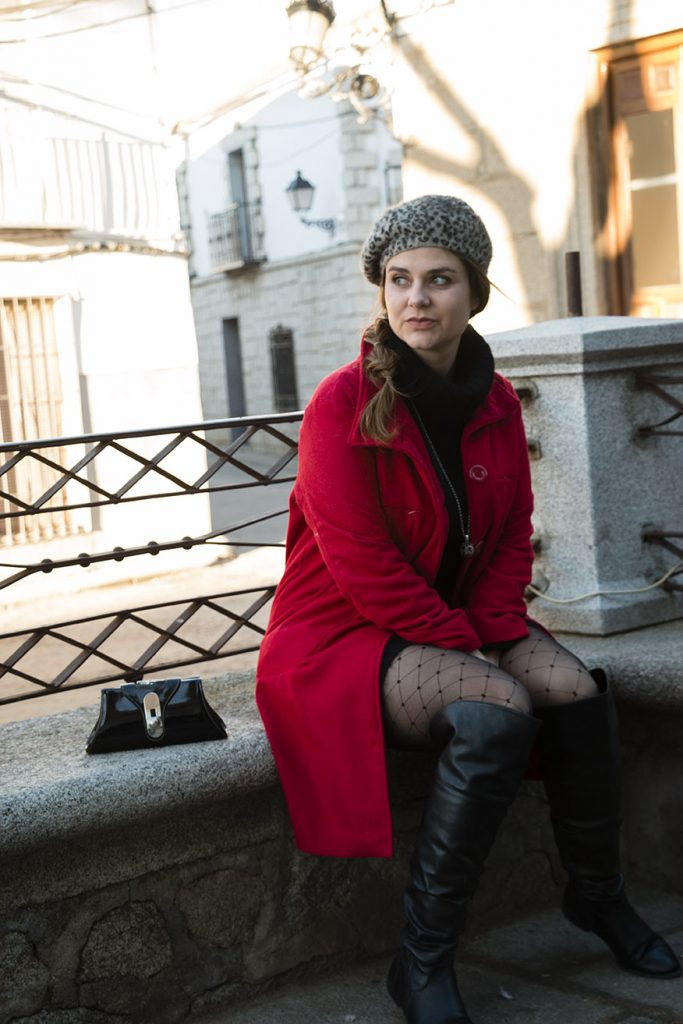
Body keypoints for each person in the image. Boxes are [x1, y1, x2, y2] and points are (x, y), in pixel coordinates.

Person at [255, 194, 681, 1024]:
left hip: (438, 620)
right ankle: (421, 960)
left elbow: (510, 546)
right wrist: (475, 654)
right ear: (381, 292)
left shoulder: (494, 403)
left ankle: (596, 896)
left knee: (576, 690)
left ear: (474, 293)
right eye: (399, 279)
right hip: (336, 634)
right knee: (495, 710)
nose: (416, 298)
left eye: (439, 280)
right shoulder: (340, 404)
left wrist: (489, 632)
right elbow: (363, 566)